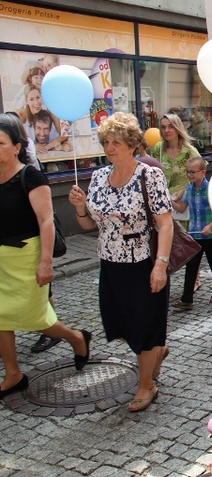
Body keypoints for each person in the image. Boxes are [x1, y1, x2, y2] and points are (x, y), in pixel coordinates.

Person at [69, 112, 172, 412]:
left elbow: (166, 225)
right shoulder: (99, 177)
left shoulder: (149, 175)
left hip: (142, 262)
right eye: (106, 142)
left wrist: (160, 266)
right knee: (120, 323)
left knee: (143, 326)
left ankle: (146, 385)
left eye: (116, 142)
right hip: (110, 263)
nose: (110, 147)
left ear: (131, 144)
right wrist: (79, 208)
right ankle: (156, 351)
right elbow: (90, 226)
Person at [0, 120, 91, 400]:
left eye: (0, 143)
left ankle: (76, 338)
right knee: (1, 318)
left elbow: (46, 222)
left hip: (27, 255)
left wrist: (45, 263)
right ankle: (13, 373)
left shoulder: (30, 176)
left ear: (16, 148)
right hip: (1, 257)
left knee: (35, 317)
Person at [171, 156, 212, 310]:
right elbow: (182, 208)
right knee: (191, 265)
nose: (190, 175)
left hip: (211, 234)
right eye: (188, 172)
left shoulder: (211, 189)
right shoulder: (189, 189)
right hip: (195, 234)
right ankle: (187, 299)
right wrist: (172, 202)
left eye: (193, 172)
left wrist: (211, 226)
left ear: (203, 172)